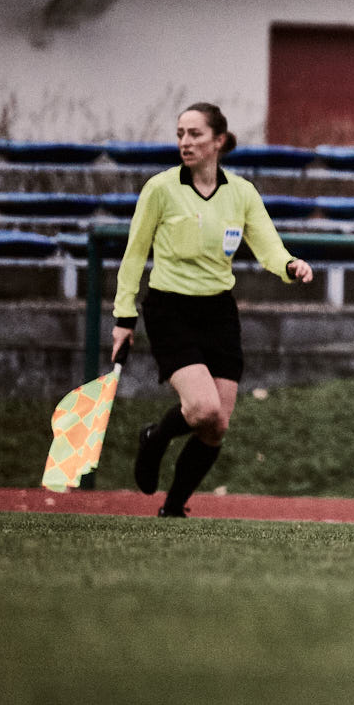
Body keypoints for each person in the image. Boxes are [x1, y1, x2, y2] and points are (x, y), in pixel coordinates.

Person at [109, 103, 313, 517]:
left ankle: (174, 506)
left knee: (216, 425)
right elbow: (134, 256)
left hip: (219, 312)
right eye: (181, 133)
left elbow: (268, 247)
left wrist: (290, 266)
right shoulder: (161, 189)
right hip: (170, 309)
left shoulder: (241, 192)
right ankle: (154, 438)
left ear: (218, 140)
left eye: (195, 134)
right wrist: (123, 318)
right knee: (203, 409)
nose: (185, 141)